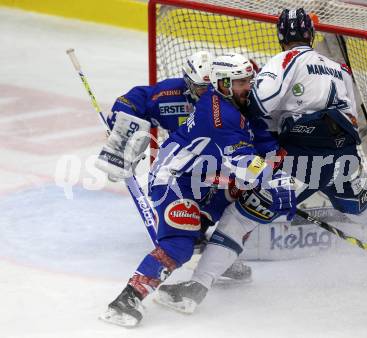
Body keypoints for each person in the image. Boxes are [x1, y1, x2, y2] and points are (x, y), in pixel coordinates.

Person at [155, 7, 367, 313]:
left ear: (280, 36)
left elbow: (260, 105)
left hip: (297, 158)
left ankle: (195, 290)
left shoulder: (285, 61)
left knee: (238, 219)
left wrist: (242, 123)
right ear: (311, 35)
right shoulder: (338, 68)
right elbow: (354, 119)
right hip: (343, 157)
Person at [98, 52, 297, 327]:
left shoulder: (239, 103)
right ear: (224, 84)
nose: (248, 87)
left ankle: (199, 282)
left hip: (205, 178)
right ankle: (126, 300)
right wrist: (276, 181)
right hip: (174, 182)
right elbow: (247, 168)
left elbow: (263, 141)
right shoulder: (219, 117)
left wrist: (278, 168)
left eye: (250, 80)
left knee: (254, 204)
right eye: (241, 82)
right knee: (179, 246)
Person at [94, 50, 253, 284]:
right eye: (200, 88)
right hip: (183, 169)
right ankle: (190, 240)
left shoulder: (229, 101)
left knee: (237, 193)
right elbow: (133, 100)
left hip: (218, 163)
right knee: (186, 210)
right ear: (188, 83)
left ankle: (212, 252)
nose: (206, 93)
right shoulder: (169, 94)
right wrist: (121, 124)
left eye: (210, 87)